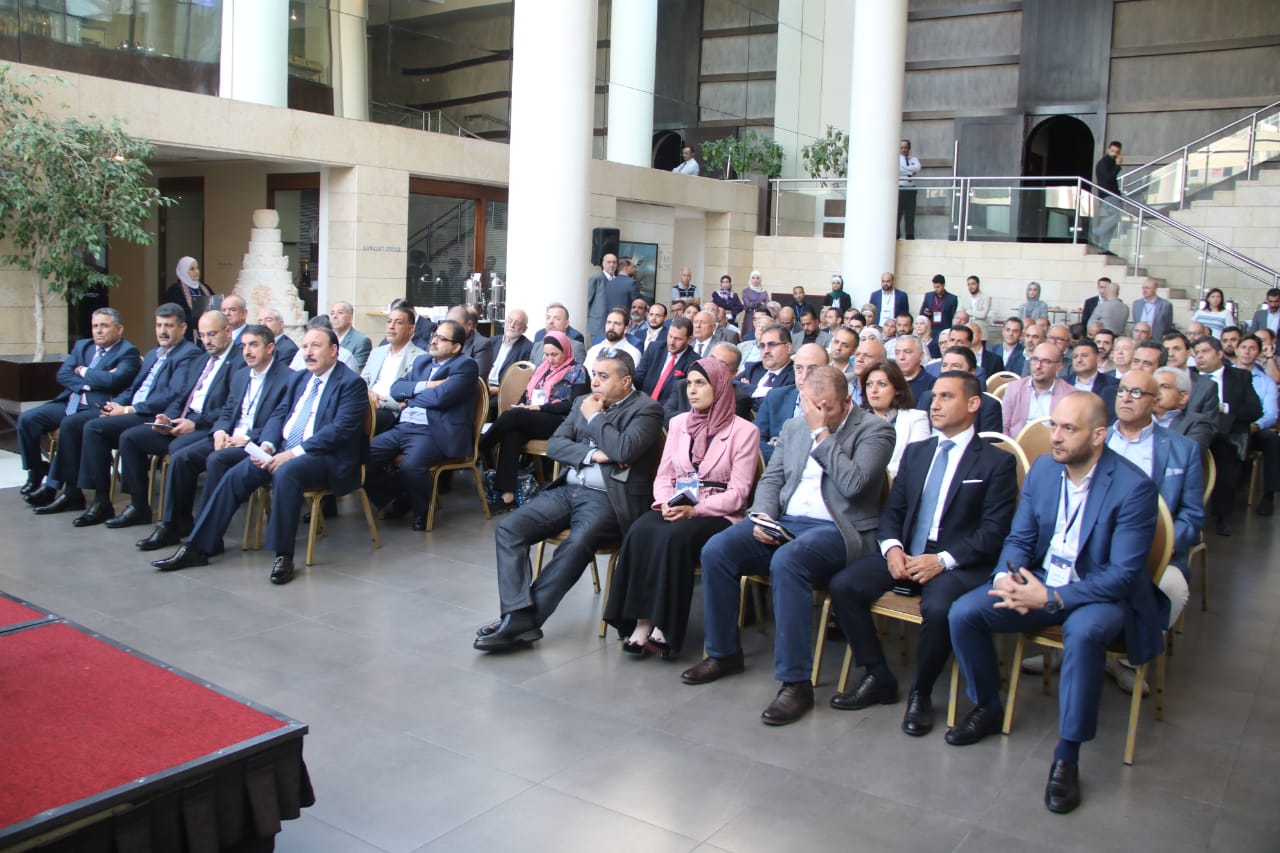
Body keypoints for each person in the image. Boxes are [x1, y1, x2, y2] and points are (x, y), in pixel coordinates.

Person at [947, 392, 1161, 815]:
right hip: (1043, 579)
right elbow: (1021, 537)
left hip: (1098, 591)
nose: (1056, 437)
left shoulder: (1134, 487)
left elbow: (1122, 575)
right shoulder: (1044, 469)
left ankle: (1067, 755)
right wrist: (1006, 576)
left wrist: (1052, 597)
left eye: (1069, 428)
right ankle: (988, 706)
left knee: (1083, 634)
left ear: (1098, 436)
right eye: (1053, 426)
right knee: (964, 613)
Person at [681, 367, 894, 726]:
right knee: (718, 550)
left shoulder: (876, 430)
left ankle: (796, 683)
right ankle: (723, 653)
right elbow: (773, 478)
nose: (818, 413)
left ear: (847, 401)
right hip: (788, 521)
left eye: (827, 408)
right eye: (812, 406)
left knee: (788, 561)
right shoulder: (795, 427)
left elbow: (855, 485)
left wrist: (822, 434)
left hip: (838, 529)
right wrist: (763, 516)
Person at [828, 371, 1017, 735]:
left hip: (956, 560)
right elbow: (894, 510)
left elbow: (994, 532)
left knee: (940, 607)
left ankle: (922, 692)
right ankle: (878, 675)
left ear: (973, 404)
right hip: (908, 551)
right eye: (934, 397)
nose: (935, 404)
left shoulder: (996, 462)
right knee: (844, 586)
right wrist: (892, 548)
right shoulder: (918, 452)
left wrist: (943, 560)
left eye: (947, 397)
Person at [474, 350, 665, 651]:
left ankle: (523, 621)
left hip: (608, 498)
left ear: (626, 381)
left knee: (577, 543)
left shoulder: (647, 410)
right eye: (594, 374)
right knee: (509, 529)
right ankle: (518, 617)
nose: (595, 382)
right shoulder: (582, 402)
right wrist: (592, 454)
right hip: (568, 489)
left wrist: (595, 418)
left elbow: (624, 450)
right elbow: (556, 445)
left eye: (604, 376)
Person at [151, 327, 370, 585]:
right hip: (283, 450)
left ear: (333, 350)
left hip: (324, 456)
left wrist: (291, 454)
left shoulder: (351, 383)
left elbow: (340, 431)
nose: (308, 353)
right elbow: (279, 415)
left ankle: (283, 555)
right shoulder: (300, 379)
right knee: (236, 475)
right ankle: (198, 547)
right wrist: (267, 445)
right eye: (305, 346)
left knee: (286, 473)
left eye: (315, 346)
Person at [603, 358, 759, 657]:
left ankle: (664, 626)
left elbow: (738, 495)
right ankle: (641, 621)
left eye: (701, 383)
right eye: (689, 384)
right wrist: (665, 503)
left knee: (673, 538)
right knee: (640, 530)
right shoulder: (678, 424)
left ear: (719, 387)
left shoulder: (744, 431)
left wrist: (695, 510)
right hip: (678, 502)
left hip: (718, 511)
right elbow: (665, 475)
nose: (692, 391)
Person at [33, 305, 201, 520]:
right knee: (72, 423)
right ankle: (72, 492)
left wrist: (128, 409)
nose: (162, 331)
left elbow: (172, 394)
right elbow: (133, 389)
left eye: (168, 326)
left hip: (150, 414)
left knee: (95, 428)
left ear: (182, 328)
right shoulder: (153, 354)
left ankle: (101, 500)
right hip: (129, 409)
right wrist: (114, 405)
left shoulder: (189, 354)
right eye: (158, 325)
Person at [136, 324, 293, 553]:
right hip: (227, 436)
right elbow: (227, 411)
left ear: (270, 348)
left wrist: (246, 438)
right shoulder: (241, 375)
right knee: (181, 458)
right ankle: (173, 525)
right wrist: (219, 431)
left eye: (253, 345)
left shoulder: (288, 378)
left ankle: (205, 536)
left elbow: (280, 421)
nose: (247, 351)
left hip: (253, 443)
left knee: (216, 460)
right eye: (243, 346)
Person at [1100, 370, 1204, 694]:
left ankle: (1127, 661)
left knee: (1172, 588)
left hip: (1156, 552)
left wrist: (1166, 544)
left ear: (1155, 401)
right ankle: (1069, 646)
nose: (1126, 398)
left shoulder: (1182, 449)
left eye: (1136, 393)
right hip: (1095, 545)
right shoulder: (1097, 438)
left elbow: (1192, 515)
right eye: (1122, 391)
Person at [105, 310, 238, 529]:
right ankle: (138, 507)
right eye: (203, 335)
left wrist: (196, 423)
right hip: (182, 420)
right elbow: (182, 395)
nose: (207, 341)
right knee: (130, 438)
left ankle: (175, 522)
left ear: (228, 332)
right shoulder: (202, 359)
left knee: (179, 451)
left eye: (212, 334)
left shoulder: (238, 362)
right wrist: (167, 417)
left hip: (206, 426)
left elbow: (230, 407)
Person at [365, 319, 479, 531]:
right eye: (434, 335)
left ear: (456, 347)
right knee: (362, 458)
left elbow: (441, 398)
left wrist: (411, 398)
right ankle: (400, 495)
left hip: (433, 431)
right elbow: (395, 389)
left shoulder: (465, 366)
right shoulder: (422, 362)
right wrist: (427, 385)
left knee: (411, 467)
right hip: (403, 426)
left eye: (441, 338)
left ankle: (422, 511)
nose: (433, 340)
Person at [19, 308, 141, 503]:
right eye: (95, 326)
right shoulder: (83, 346)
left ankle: (52, 488)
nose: (98, 331)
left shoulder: (128, 352)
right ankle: (37, 469)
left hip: (98, 407)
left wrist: (82, 370)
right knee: (27, 419)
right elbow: (63, 374)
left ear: (119, 329)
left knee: (69, 425)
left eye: (104, 326)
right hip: (71, 401)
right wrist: (90, 383)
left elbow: (114, 380)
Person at [480, 330, 590, 513]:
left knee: (514, 416)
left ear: (566, 350)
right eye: (547, 354)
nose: (550, 359)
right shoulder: (542, 368)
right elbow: (527, 394)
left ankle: (483, 445)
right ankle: (507, 496)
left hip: (561, 421)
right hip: (534, 416)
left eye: (555, 354)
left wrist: (540, 408)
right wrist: (523, 405)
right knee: (513, 433)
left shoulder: (578, 371)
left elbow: (574, 404)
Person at [1192, 335, 1262, 536]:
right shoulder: (1190, 376)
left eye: (1205, 351)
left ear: (1220, 354)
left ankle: (1224, 516)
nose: (1199, 357)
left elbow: (1255, 410)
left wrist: (1225, 408)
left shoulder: (1240, 377)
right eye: (1197, 353)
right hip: (1197, 430)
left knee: (1226, 456)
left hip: (1228, 432)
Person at [755, 343, 828, 462]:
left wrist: (778, 447)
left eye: (813, 369)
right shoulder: (775, 397)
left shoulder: (834, 404)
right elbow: (754, 439)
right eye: (799, 368)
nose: (804, 376)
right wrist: (786, 458)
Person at [362, 301, 427, 434]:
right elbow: (362, 381)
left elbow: (409, 397)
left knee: (355, 419)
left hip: (390, 412)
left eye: (398, 323)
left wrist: (379, 401)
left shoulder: (420, 358)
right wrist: (369, 395)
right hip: (366, 402)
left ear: (411, 329)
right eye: (389, 321)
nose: (391, 326)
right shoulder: (377, 352)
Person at [860, 361, 930, 479]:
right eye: (869, 384)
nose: (873, 390)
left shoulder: (916, 418)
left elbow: (917, 462)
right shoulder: (857, 421)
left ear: (897, 389)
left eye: (882, 384)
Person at [1235, 334, 1279, 515]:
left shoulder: (1266, 382)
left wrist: (1256, 425)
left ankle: (1269, 495)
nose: (1247, 352)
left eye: (1252, 348)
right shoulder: (1224, 375)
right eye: (1244, 347)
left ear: (1259, 353)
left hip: (1254, 428)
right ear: (1237, 350)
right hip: (1228, 425)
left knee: (1272, 440)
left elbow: (1271, 413)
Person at [917, 347, 1003, 434]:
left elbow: (988, 440)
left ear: (972, 372)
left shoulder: (987, 405)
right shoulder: (927, 398)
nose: (947, 370)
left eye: (955, 366)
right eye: (944, 365)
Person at [1002, 343, 1073, 436]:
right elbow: (1004, 427)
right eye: (1034, 359)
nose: (1038, 366)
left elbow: (1070, 433)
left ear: (1059, 366)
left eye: (1046, 361)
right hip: (1016, 443)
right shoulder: (1014, 388)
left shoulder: (1070, 395)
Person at [634, 316, 696, 409]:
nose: (672, 342)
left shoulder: (693, 362)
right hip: (641, 405)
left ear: (689, 340)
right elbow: (638, 378)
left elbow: (681, 397)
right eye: (670, 336)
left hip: (666, 411)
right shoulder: (654, 348)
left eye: (678, 339)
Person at [737, 322, 796, 412]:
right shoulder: (753, 368)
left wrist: (745, 391)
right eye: (762, 346)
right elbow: (731, 385)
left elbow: (772, 407)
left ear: (788, 348)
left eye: (772, 345)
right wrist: (756, 390)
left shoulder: (796, 375)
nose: (766, 351)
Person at [586, 252, 639, 342]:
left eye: (614, 262)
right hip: (599, 324)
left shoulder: (617, 280)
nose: (612, 265)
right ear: (603, 264)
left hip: (615, 324)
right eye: (609, 262)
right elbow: (587, 301)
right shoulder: (596, 278)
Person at [1068, 339, 1119, 422]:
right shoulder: (1063, 382)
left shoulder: (1113, 385)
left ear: (1097, 357)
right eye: (1075, 356)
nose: (1079, 360)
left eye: (1084, 355)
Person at [165, 256, 214, 342]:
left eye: (197, 268)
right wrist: (198, 320)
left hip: (208, 333)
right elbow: (175, 315)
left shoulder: (205, 288)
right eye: (192, 269)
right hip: (187, 336)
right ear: (183, 270)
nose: (196, 271)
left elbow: (214, 305)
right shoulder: (175, 290)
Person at [1093, 140, 1123, 254]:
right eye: (1112, 151)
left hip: (1112, 194)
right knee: (1116, 216)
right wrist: (1118, 166)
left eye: (1117, 152)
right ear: (1108, 150)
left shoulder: (1110, 162)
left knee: (1114, 220)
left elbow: (1112, 181)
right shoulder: (1103, 163)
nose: (1114, 154)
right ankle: (1097, 232)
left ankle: (1104, 247)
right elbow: (1108, 179)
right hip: (1108, 194)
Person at [894, 334, 934, 405]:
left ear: (921, 355)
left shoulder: (932, 384)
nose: (901, 357)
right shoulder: (889, 381)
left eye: (907, 352)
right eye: (897, 353)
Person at [897, 139, 921, 240]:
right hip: (900, 189)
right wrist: (911, 171)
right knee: (898, 213)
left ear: (909, 148)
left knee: (910, 214)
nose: (903, 150)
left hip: (911, 189)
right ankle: (896, 235)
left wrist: (906, 170)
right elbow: (899, 169)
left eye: (905, 148)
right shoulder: (897, 159)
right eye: (902, 148)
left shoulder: (913, 159)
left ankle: (910, 235)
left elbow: (918, 168)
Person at [740, 270, 770, 338]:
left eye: (757, 278)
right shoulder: (746, 291)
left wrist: (753, 304)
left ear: (760, 279)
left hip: (762, 318)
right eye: (753, 278)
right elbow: (748, 304)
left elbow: (766, 305)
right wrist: (759, 303)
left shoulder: (764, 292)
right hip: (749, 318)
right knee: (748, 337)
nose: (755, 280)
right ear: (750, 279)